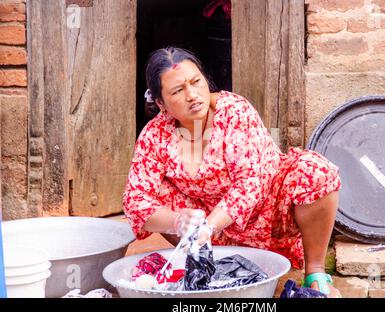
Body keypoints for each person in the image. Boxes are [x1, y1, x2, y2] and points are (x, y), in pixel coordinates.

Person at [123, 47, 342, 297]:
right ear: (161, 103)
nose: (193, 95)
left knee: (315, 171)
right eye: (178, 91)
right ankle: (206, 267)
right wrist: (177, 221)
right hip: (212, 238)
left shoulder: (233, 111)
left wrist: (210, 224)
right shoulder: (155, 135)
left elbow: (251, 183)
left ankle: (315, 271)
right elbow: (135, 200)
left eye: (196, 82)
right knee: (156, 195)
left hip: (266, 214)